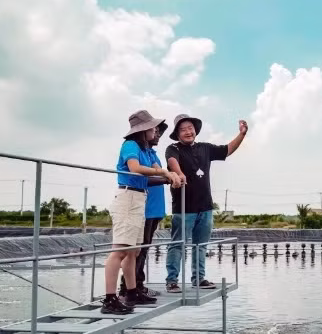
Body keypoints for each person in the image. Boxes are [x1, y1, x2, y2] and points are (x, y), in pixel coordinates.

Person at [102, 110, 181, 315]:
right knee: (119, 251)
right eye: (153, 128)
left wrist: (172, 174)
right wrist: (163, 172)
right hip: (127, 198)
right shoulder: (130, 145)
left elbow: (157, 167)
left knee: (134, 251)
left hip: (139, 198)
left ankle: (132, 291)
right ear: (143, 129)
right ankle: (109, 299)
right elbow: (135, 168)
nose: (156, 131)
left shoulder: (146, 150)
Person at [164, 114, 248, 292]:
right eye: (183, 129)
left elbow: (227, 150)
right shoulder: (173, 148)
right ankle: (172, 280)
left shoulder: (205, 148)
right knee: (178, 244)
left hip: (205, 207)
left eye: (190, 128)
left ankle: (198, 278)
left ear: (195, 130)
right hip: (184, 208)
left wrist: (242, 134)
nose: (188, 132)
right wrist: (179, 173)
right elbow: (172, 163)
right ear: (177, 134)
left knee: (200, 246)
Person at [119, 118, 178, 298]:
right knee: (137, 249)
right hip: (143, 206)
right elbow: (141, 174)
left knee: (143, 249)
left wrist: (169, 176)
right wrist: (166, 176)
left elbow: (159, 171)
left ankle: (138, 284)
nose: (157, 134)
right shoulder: (134, 149)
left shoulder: (151, 154)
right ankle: (130, 286)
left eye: (159, 131)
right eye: (155, 131)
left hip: (154, 207)